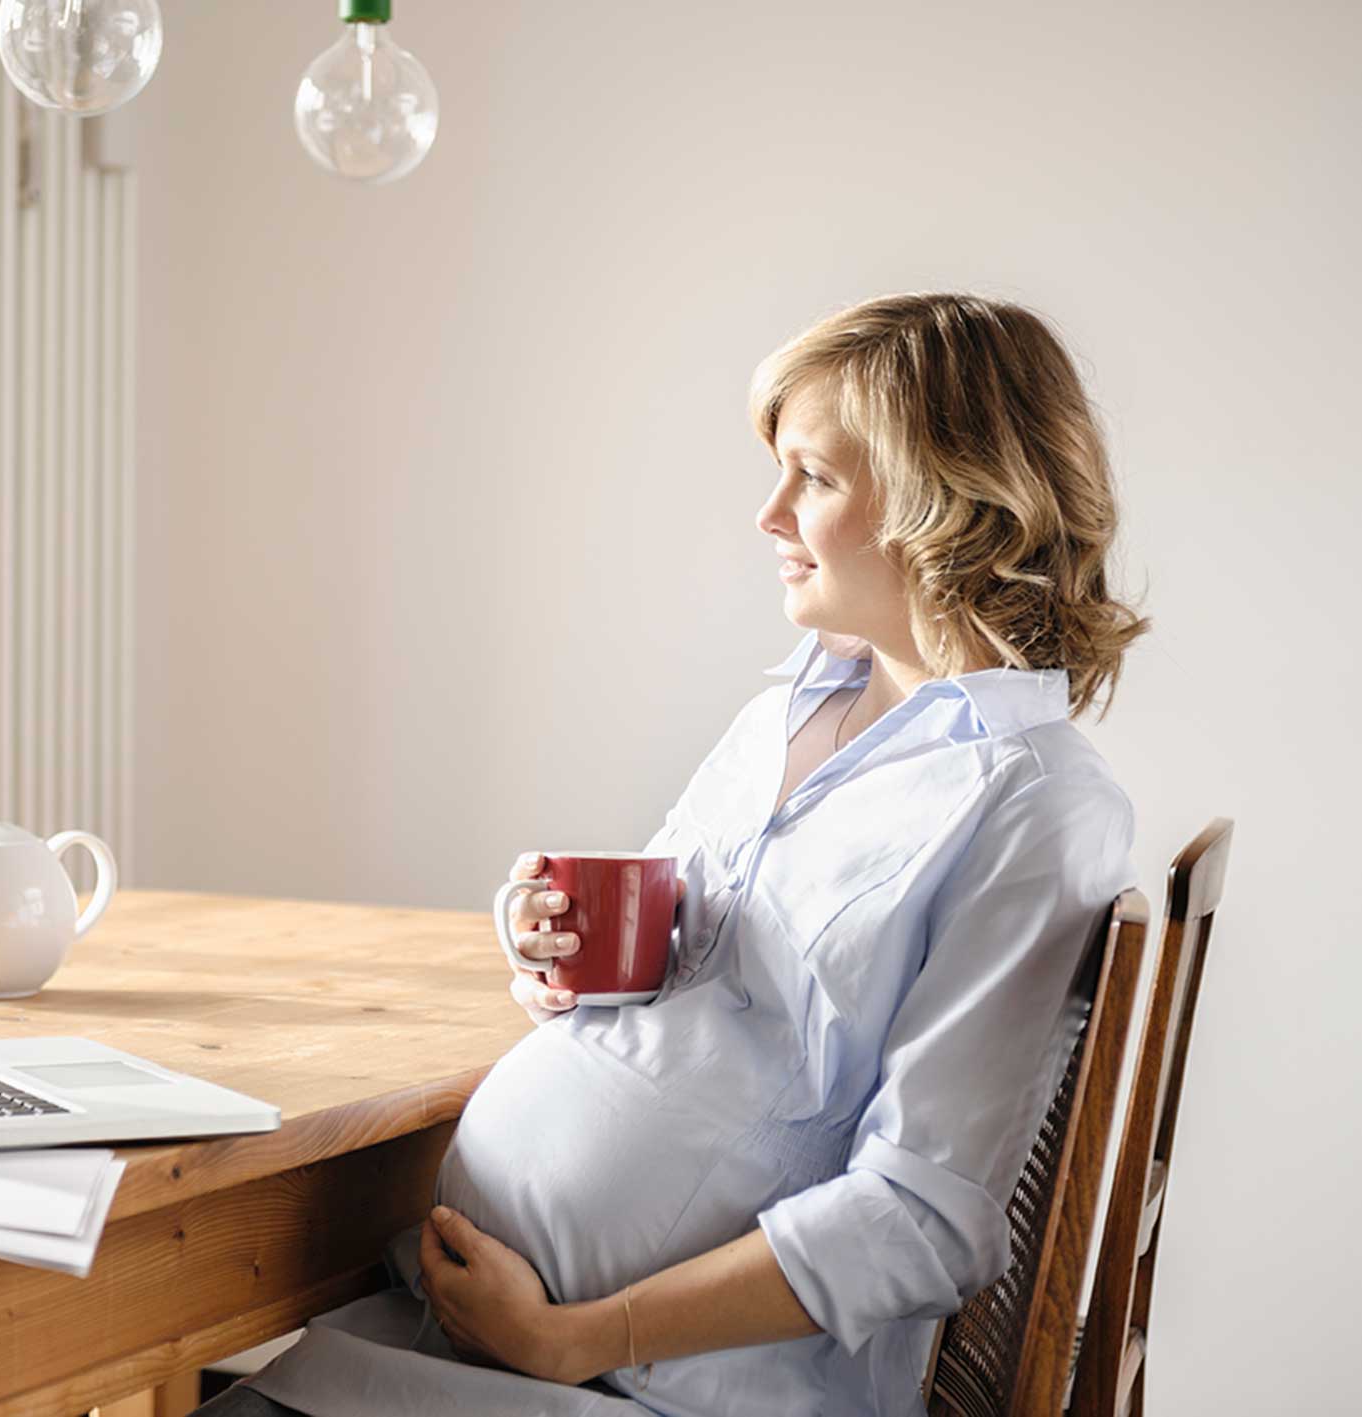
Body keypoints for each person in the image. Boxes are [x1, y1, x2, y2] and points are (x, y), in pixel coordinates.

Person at [191, 292, 1150, 1417]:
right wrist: (556, 954)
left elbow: (922, 1215)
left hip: (654, 1384)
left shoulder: (1032, 805)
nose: (768, 514)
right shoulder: (788, 712)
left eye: (814, 477)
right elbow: (687, 991)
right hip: (470, 1334)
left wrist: (571, 1334)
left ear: (948, 507)